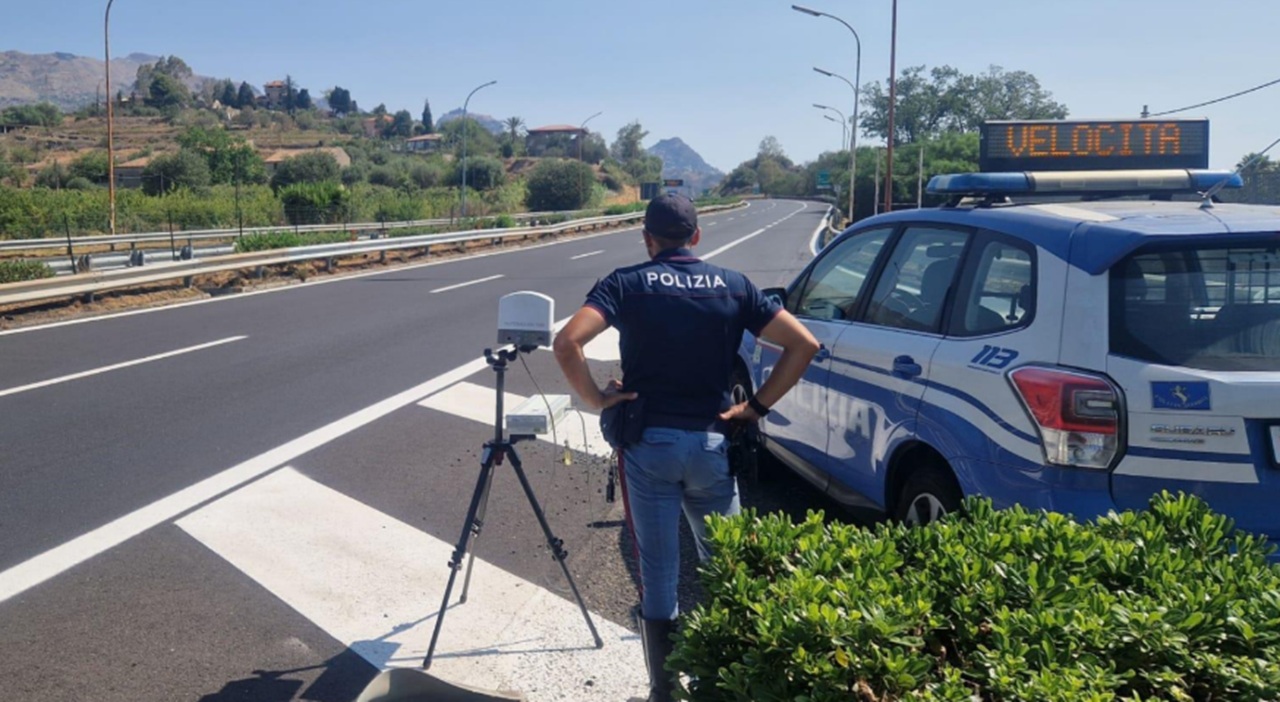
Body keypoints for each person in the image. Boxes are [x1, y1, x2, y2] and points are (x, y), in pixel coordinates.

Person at [552, 193, 820, 701]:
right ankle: (725, 683)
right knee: (727, 567)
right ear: (696, 236)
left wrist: (598, 399)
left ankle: (665, 691)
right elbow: (803, 344)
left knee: (659, 576)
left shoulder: (625, 283)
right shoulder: (734, 285)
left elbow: (567, 343)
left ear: (647, 238)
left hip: (649, 446)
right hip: (713, 443)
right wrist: (755, 409)